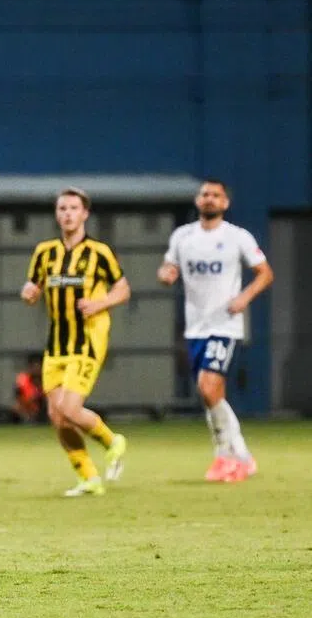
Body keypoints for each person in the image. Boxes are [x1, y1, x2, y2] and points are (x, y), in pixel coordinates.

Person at [156, 179, 273, 482]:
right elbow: (168, 268)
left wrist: (244, 298)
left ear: (225, 204)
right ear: (197, 201)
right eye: (205, 194)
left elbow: (264, 273)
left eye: (216, 195)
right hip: (195, 326)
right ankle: (242, 455)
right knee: (211, 394)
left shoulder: (237, 237)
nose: (209, 199)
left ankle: (225, 455)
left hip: (224, 324)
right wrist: (166, 274)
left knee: (209, 388)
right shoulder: (183, 236)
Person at [20, 188, 130, 497]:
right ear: (57, 214)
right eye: (62, 208)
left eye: (73, 208)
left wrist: (100, 303)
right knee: (57, 416)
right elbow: (33, 285)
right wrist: (29, 293)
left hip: (88, 341)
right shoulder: (45, 252)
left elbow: (123, 289)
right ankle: (89, 477)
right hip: (56, 343)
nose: (67, 213)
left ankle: (112, 441)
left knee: (69, 408)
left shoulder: (99, 252)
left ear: (85, 214)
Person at [14, 352, 46, 424]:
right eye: (33, 366)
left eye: (38, 366)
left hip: (42, 409)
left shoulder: (47, 379)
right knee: (16, 408)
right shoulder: (22, 379)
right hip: (27, 407)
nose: (36, 369)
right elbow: (18, 398)